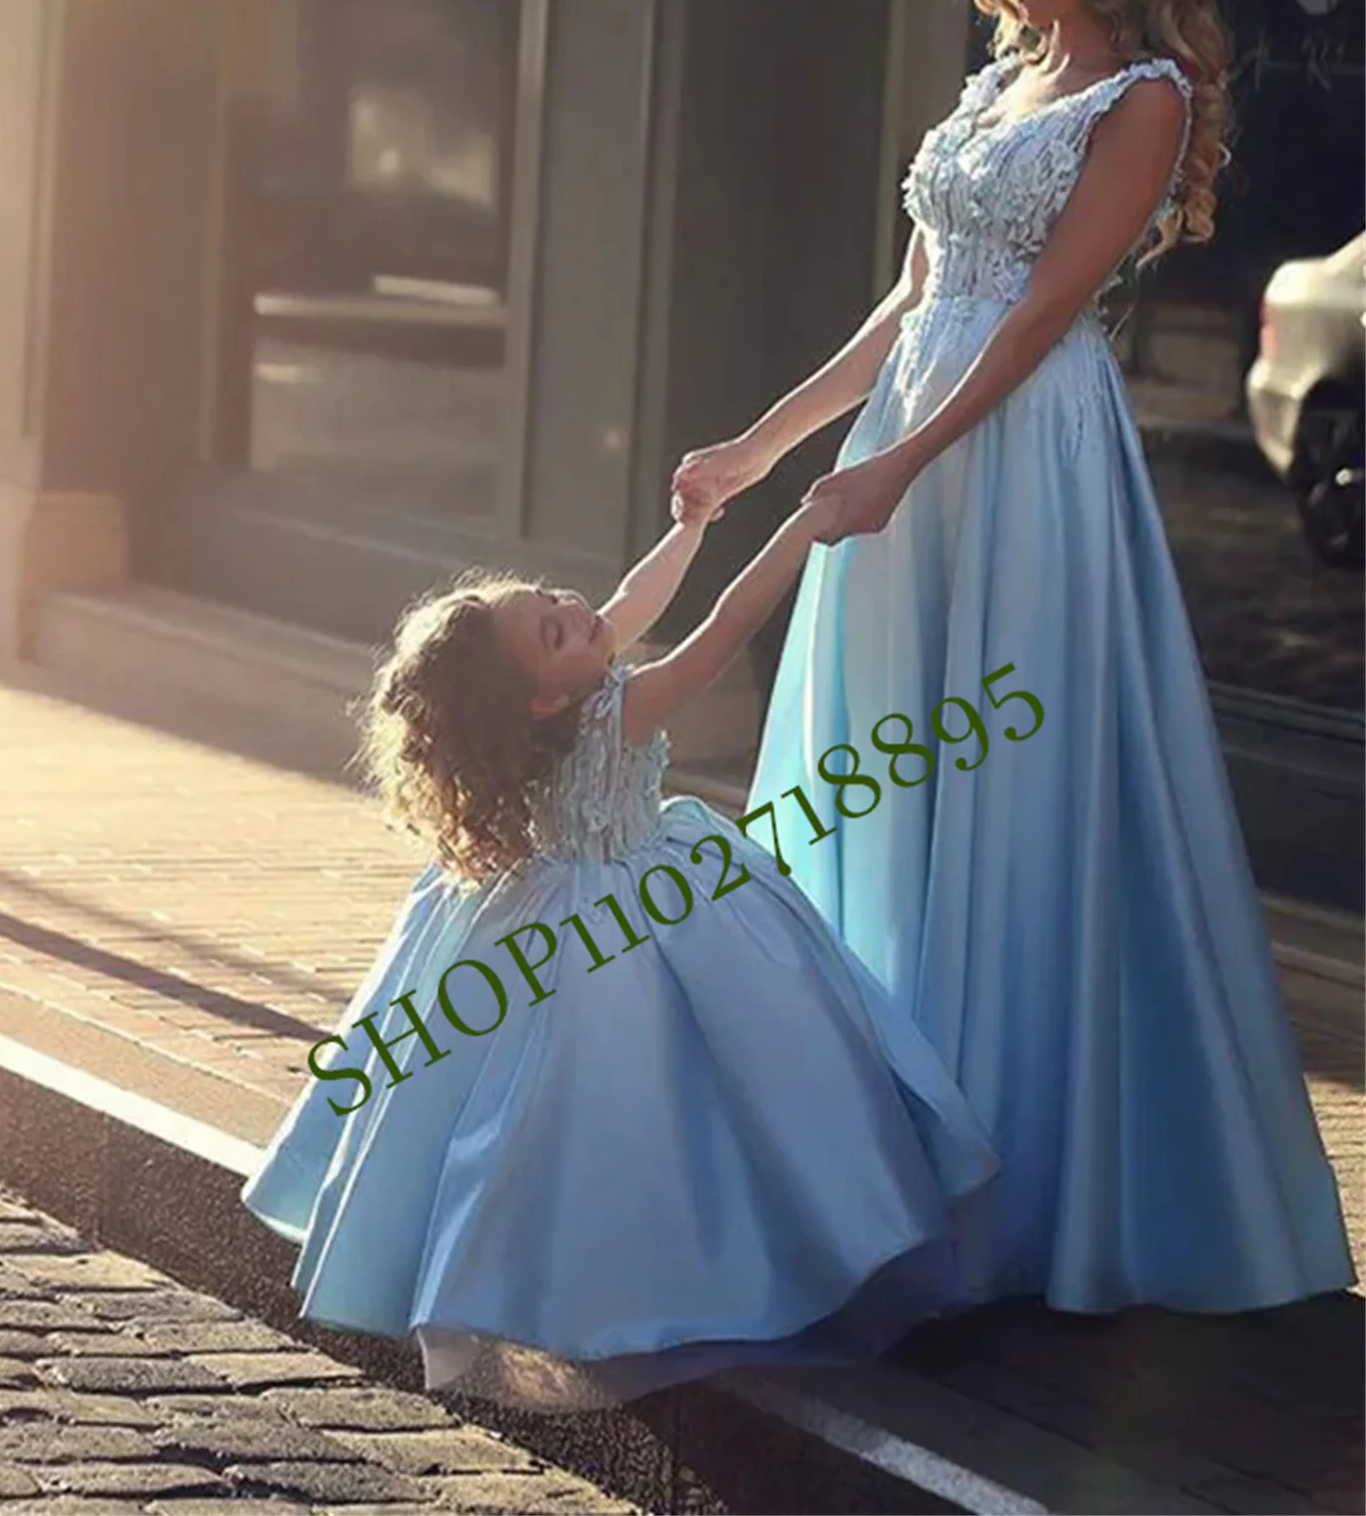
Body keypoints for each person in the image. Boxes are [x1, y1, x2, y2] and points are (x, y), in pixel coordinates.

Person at [673, 0, 1354, 1313]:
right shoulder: (1000, 88)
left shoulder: (1147, 97)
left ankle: (1030, 1186)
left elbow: (1041, 313)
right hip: (907, 446)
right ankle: (872, 1154)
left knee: (999, 792)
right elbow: (908, 306)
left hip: (1021, 464)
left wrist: (904, 466)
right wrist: (762, 450)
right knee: (885, 782)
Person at [242, 490, 998, 1411]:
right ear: (549, 695)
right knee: (678, 1094)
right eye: (554, 631)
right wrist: (800, 532)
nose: (574, 612)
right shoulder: (625, 703)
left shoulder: (561, 697)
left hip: (545, 909)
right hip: (641, 913)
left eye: (552, 601)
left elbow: (628, 605)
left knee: (513, 1099)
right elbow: (727, 625)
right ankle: (696, 1277)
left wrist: (692, 527)